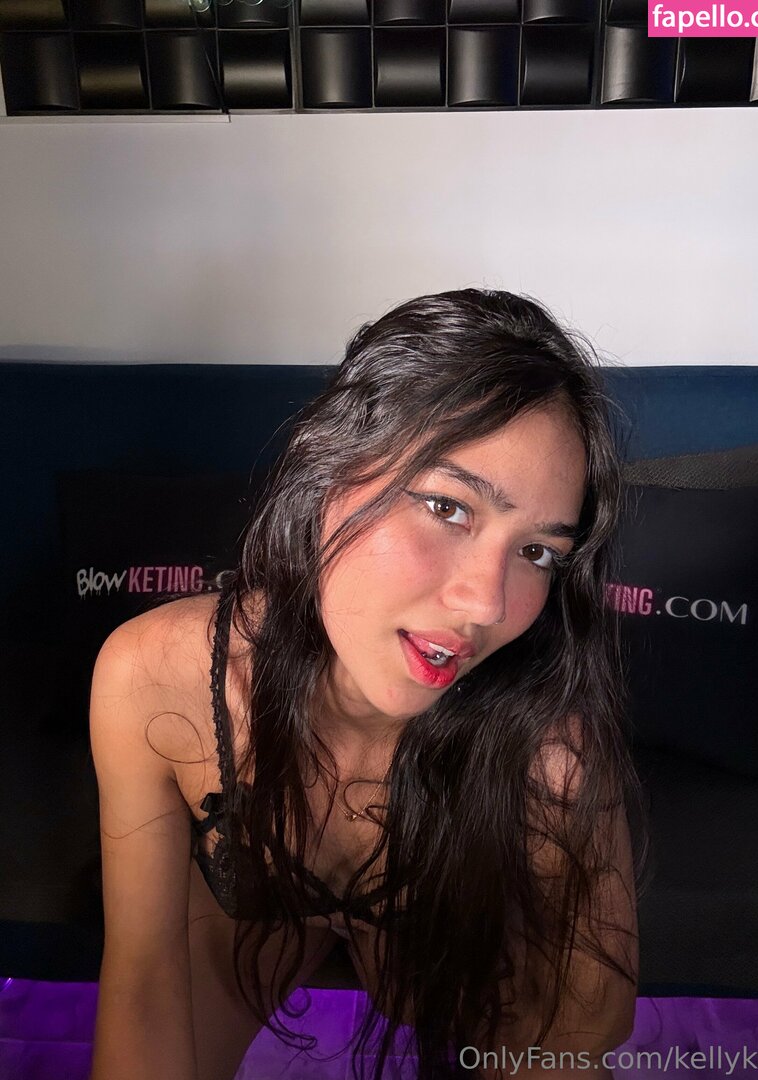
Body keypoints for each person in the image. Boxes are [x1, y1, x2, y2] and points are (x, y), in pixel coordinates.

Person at [88, 288, 646, 1080]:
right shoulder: (151, 677)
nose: (486, 605)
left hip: (440, 949)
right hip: (255, 917)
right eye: (448, 506)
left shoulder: (550, 759)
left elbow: (587, 1027)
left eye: (536, 553)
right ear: (329, 465)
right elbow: (142, 980)